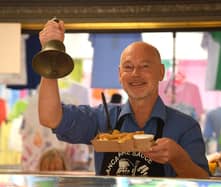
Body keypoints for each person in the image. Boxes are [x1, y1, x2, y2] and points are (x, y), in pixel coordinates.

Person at [37, 19, 209, 178]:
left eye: (145, 66)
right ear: (120, 74)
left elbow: (203, 182)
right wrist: (51, 52)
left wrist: (178, 157)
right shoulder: (102, 118)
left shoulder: (185, 126)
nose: (135, 74)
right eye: (128, 67)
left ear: (161, 72)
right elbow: (50, 118)